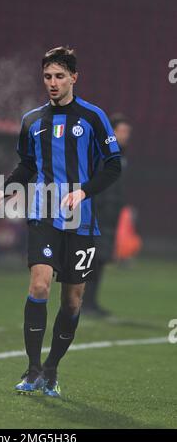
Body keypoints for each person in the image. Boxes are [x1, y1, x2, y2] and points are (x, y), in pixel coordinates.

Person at [0, 47, 121, 397]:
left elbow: (113, 166)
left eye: (60, 76)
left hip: (83, 221)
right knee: (40, 286)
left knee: (73, 301)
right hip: (44, 211)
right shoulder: (31, 121)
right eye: (47, 76)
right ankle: (32, 369)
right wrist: (6, 189)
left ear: (74, 78)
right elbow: (28, 165)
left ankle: (51, 369)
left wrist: (84, 192)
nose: (53, 83)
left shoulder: (93, 118)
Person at [82, 114, 132, 317]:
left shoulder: (120, 155)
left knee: (101, 260)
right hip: (97, 215)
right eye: (123, 131)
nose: (126, 135)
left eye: (128, 132)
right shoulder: (103, 153)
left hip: (109, 217)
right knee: (92, 259)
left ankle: (91, 302)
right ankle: (83, 303)